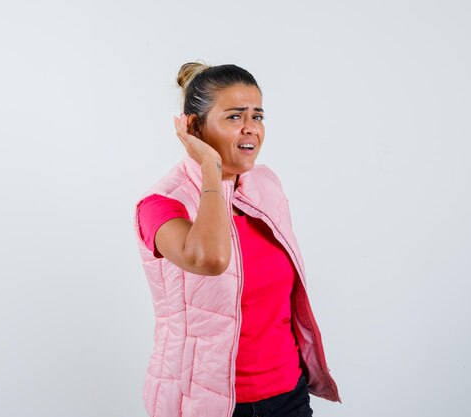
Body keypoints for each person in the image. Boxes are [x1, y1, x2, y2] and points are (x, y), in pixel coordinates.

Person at [133, 62, 340, 417]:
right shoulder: (160, 205)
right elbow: (210, 260)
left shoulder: (265, 185)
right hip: (207, 406)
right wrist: (211, 167)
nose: (251, 129)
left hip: (288, 397)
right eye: (233, 117)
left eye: (257, 116)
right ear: (194, 127)